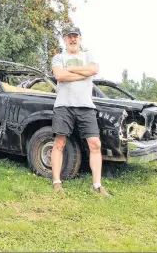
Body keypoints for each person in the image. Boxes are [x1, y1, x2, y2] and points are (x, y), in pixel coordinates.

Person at [50, 26, 111, 197]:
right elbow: (59, 76)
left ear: (80, 38)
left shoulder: (88, 55)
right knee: (59, 143)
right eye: (69, 37)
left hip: (86, 106)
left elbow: (93, 70)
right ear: (65, 40)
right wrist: (82, 73)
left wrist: (69, 70)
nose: (72, 39)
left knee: (95, 144)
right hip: (63, 105)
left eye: (75, 36)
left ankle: (97, 185)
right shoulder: (58, 57)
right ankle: (56, 183)